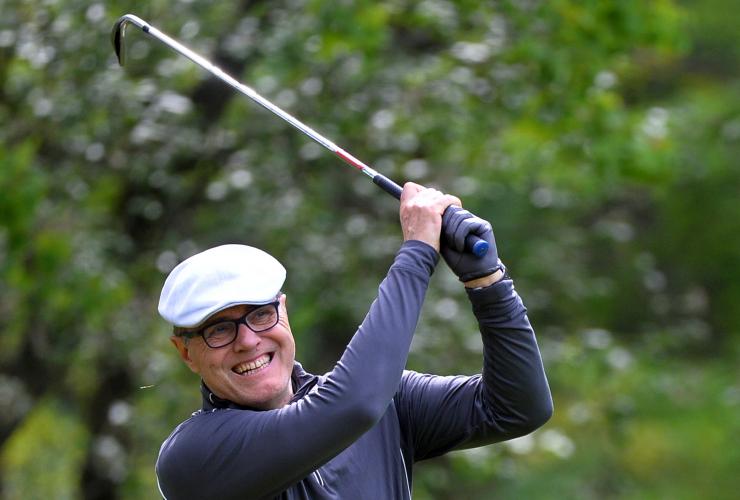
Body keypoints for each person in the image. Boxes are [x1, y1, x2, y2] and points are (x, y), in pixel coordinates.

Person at [155, 183, 552, 499]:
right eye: (219, 330)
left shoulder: (390, 403)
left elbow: (518, 407)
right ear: (185, 352)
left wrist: (488, 284)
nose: (247, 341)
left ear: (283, 310)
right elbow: (352, 405)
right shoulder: (191, 457)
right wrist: (416, 254)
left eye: (260, 315)